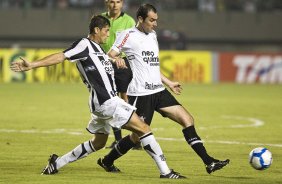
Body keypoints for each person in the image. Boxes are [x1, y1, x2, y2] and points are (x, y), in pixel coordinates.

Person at [10, 15, 185, 179]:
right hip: (107, 102)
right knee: (144, 128)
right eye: (106, 31)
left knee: (99, 143)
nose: (108, 35)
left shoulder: (99, 50)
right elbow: (61, 56)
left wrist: (115, 61)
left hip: (100, 103)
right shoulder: (84, 44)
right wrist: (32, 64)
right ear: (96, 30)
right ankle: (166, 172)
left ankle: (57, 163)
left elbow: (104, 69)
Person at [98, 4, 230, 175]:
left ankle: (208, 162)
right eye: (151, 20)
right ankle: (108, 161)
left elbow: (152, 66)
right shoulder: (127, 35)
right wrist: (117, 60)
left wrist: (169, 82)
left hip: (159, 91)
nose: (155, 24)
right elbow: (109, 55)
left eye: (156, 20)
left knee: (187, 119)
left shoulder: (152, 35)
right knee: (136, 137)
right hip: (141, 94)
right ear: (140, 19)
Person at [100, 0, 141, 149]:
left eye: (118, 1)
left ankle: (135, 138)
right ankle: (118, 139)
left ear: (122, 3)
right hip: (104, 64)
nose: (115, 4)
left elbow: (133, 43)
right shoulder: (100, 19)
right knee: (111, 100)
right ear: (106, 3)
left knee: (125, 99)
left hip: (122, 64)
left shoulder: (129, 21)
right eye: (112, 1)